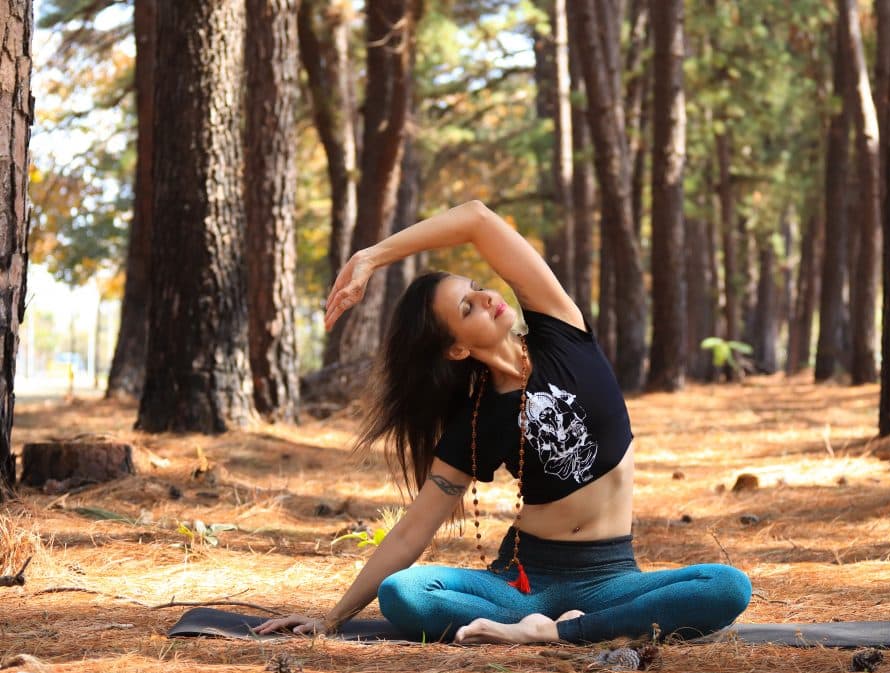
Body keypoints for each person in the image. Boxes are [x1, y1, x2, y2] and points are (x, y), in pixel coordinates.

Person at [255, 201, 751, 644]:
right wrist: (333, 617)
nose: (488, 298)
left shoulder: (563, 331)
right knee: (403, 594)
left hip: (612, 577)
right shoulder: (478, 421)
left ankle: (555, 634)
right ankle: (565, 628)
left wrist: (372, 256)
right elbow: (411, 533)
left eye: (477, 287)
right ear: (457, 348)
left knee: (727, 586)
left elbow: (476, 218)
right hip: (524, 584)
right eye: (467, 308)